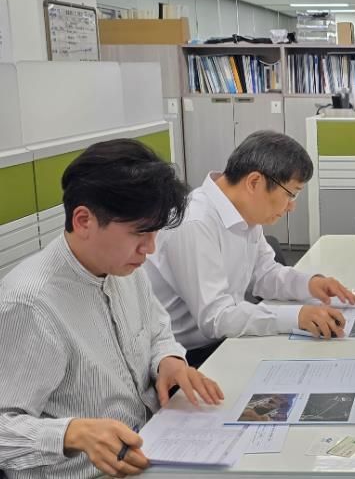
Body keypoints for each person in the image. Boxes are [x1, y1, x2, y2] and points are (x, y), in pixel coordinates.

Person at [0, 139, 224, 479]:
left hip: (154, 445)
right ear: (83, 221)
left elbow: (157, 329)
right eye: (140, 233)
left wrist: (168, 360)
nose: (150, 249)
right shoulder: (30, 305)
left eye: (155, 233)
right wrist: (72, 434)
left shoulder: (124, 269)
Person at [144, 130, 355, 366]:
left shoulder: (244, 213)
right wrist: (297, 316)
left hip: (225, 340)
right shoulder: (195, 222)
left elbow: (265, 275)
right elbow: (216, 318)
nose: (291, 206)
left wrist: (309, 284)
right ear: (254, 182)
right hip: (187, 357)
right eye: (291, 194)